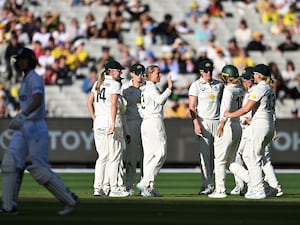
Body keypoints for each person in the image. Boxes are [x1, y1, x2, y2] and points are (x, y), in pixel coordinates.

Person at [0, 48, 78, 215]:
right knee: (10, 163)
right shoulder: (25, 79)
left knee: (39, 169)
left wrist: (24, 114)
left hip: (35, 125)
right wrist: (23, 116)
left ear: (31, 61)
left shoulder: (34, 78)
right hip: (25, 125)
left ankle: (69, 199)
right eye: (19, 60)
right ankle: (8, 206)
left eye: (24, 59)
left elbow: (37, 100)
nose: (21, 62)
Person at [224, 64, 276, 199]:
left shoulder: (260, 88)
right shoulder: (269, 88)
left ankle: (259, 189)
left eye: (254, 74)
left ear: (258, 75)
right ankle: (259, 187)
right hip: (267, 124)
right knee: (248, 155)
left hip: (259, 125)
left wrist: (229, 114)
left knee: (253, 156)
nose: (253, 77)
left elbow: (246, 109)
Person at [86, 60, 130, 197]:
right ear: (111, 71)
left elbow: (89, 102)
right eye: (118, 70)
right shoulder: (115, 84)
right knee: (115, 157)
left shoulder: (98, 83)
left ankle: (98, 188)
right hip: (111, 121)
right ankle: (114, 188)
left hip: (99, 121)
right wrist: (112, 122)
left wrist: (94, 119)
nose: (121, 72)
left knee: (102, 157)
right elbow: (114, 105)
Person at [208, 65, 244, 199]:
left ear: (227, 77)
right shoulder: (240, 89)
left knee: (220, 160)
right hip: (237, 126)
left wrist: (221, 125)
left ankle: (220, 190)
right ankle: (253, 181)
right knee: (231, 161)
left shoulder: (229, 90)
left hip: (228, 125)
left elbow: (225, 110)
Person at [136, 65, 173, 197]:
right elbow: (160, 100)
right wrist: (169, 88)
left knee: (149, 156)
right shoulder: (150, 87)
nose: (159, 75)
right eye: (157, 73)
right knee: (161, 153)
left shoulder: (145, 88)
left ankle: (148, 188)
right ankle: (145, 182)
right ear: (150, 75)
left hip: (146, 122)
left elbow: (140, 105)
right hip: (154, 121)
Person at [188, 59, 224, 195]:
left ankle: (220, 185)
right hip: (204, 122)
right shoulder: (196, 85)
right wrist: (196, 123)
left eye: (210, 70)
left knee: (218, 156)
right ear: (201, 72)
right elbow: (192, 106)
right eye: (206, 71)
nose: (209, 73)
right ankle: (207, 184)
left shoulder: (218, 85)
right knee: (205, 156)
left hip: (217, 122)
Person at [121, 63, 145, 196]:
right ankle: (129, 185)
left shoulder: (148, 87)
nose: (140, 76)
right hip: (131, 123)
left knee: (145, 156)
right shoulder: (125, 88)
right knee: (131, 156)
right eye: (137, 73)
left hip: (145, 122)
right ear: (132, 74)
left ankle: (145, 185)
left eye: (141, 73)